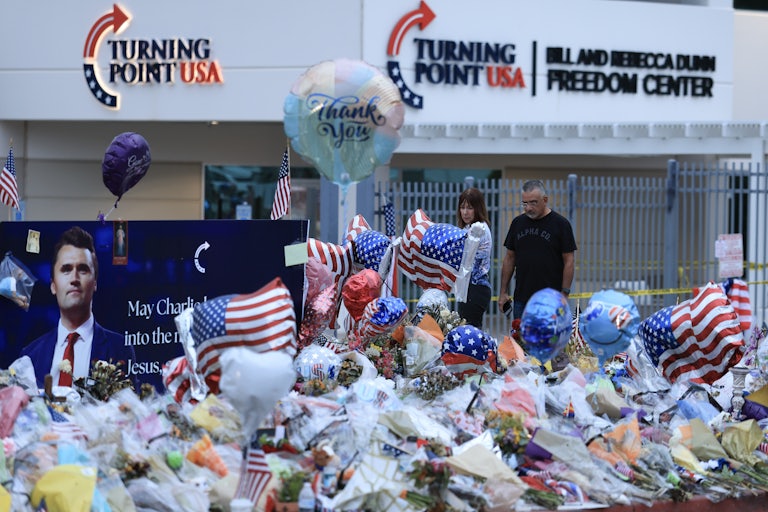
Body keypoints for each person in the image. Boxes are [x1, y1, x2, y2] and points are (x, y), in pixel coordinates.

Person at [21, 226, 136, 388]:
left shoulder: (120, 349)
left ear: (94, 282)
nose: (74, 278)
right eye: (66, 270)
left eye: (83, 270)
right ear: (53, 285)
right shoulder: (30, 356)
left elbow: (132, 411)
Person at [498, 179, 577, 320]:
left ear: (545, 200)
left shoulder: (561, 224)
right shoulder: (518, 223)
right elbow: (510, 258)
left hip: (551, 300)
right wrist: (503, 291)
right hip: (522, 299)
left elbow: (569, 261)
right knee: (520, 341)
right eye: (525, 203)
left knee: (550, 341)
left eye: (533, 202)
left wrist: (564, 294)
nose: (528, 208)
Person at [456, 187, 493, 329]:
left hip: (476, 287)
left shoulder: (479, 229)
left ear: (478, 208)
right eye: (462, 207)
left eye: (470, 208)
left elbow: (466, 259)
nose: (465, 212)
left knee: (470, 333)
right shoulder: (467, 228)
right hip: (467, 288)